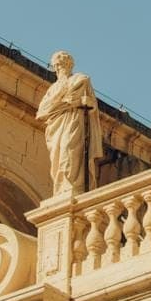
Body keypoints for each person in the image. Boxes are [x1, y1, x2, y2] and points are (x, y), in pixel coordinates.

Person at [37, 50, 103, 197]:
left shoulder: (81, 80)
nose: (61, 68)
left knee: (69, 150)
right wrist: (65, 102)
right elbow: (41, 112)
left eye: (63, 64)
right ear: (54, 67)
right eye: (58, 65)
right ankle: (62, 188)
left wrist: (85, 103)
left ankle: (73, 188)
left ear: (70, 65)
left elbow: (92, 106)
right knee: (58, 157)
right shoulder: (53, 88)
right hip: (56, 126)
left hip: (74, 121)